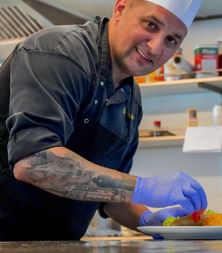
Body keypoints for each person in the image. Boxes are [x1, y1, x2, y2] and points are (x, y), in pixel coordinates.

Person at [0, 0, 207, 241]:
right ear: (120, 9)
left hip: (54, 244)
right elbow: (34, 163)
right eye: (151, 25)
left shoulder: (129, 98)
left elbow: (109, 195)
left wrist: (149, 222)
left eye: (171, 40)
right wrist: (143, 187)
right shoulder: (60, 52)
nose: (155, 48)